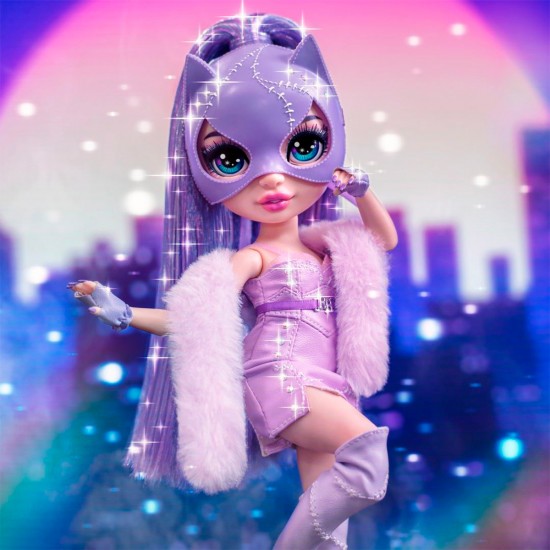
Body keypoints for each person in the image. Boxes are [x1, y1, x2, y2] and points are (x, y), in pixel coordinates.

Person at [68, 14, 397, 549]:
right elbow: (197, 315)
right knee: (365, 462)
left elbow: (381, 241)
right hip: (282, 379)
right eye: (230, 158)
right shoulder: (253, 258)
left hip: (325, 381)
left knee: (329, 525)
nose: (272, 179)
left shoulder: (326, 246)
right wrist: (125, 314)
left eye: (303, 146)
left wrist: (362, 192)